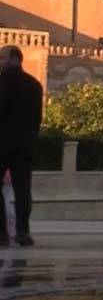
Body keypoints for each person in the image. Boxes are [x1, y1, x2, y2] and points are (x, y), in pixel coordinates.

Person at [0, 46, 43, 247]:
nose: (0, 62)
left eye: (2, 58)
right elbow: (37, 119)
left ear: (15, 59)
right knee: (23, 189)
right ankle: (23, 232)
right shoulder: (35, 85)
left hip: (3, 143)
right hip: (25, 145)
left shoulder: (2, 82)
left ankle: (1, 233)